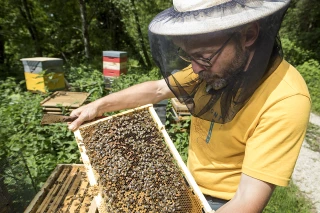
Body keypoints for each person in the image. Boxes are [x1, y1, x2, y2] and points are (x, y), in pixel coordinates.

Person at [68, 0, 311, 212]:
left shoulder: (286, 100)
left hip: (225, 203)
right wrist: (100, 105)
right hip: (187, 185)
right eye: (188, 56)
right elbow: (157, 89)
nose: (194, 69)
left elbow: (247, 200)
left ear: (248, 35)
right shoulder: (213, 66)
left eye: (203, 57)